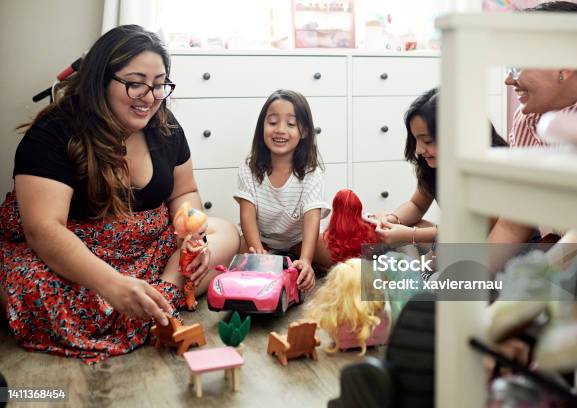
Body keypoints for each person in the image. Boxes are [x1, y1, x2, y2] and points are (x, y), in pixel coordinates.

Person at [0, 25, 239, 363]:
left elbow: (184, 192)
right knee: (28, 282)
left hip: (147, 247)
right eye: (135, 82)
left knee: (225, 233)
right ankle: (145, 303)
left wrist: (191, 238)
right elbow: (43, 231)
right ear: (101, 80)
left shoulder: (165, 126)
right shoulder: (54, 132)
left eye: (159, 85)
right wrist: (112, 284)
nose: (150, 96)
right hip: (75, 258)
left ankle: (164, 292)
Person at [488, 0, 577, 243]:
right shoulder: (526, 118)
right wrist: (467, 277)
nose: (508, 80)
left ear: (565, 66)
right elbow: (515, 221)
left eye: (517, 66)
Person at [374, 87, 507, 245]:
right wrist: (393, 220)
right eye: (416, 140)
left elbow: (479, 228)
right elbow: (417, 204)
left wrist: (412, 235)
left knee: (416, 235)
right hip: (463, 239)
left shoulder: (490, 167)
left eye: (428, 141)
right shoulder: (434, 167)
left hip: (494, 244)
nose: (418, 150)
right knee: (412, 227)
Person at [234, 89, 331, 292]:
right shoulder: (249, 168)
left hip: (299, 239)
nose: (280, 129)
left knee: (339, 259)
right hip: (263, 240)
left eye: (291, 124)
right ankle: (275, 259)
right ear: (262, 127)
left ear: (303, 131)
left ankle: (304, 264)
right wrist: (258, 251)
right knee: (236, 260)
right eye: (272, 122)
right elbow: (247, 216)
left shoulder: (311, 173)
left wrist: (306, 259)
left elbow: (312, 220)